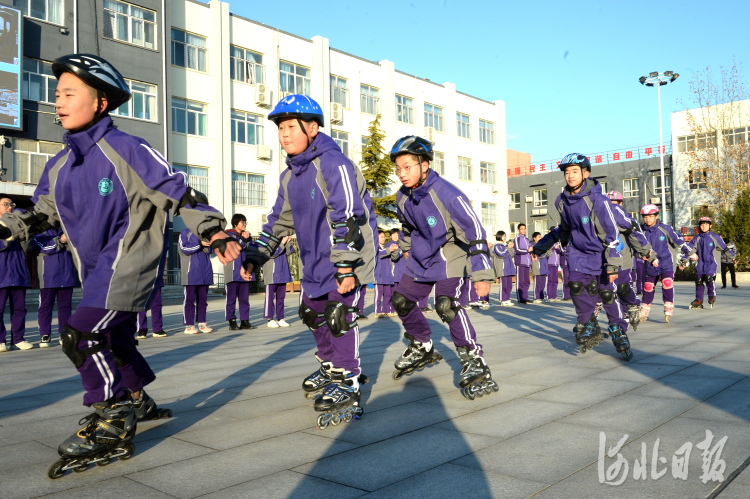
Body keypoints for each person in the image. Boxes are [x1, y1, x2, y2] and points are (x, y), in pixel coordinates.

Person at [0, 54, 241, 476]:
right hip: (93, 269)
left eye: (70, 94)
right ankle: (135, 397)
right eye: (57, 94)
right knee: (116, 340)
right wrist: (6, 228)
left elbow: (179, 192)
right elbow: (41, 214)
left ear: (101, 102)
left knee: (80, 334)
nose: (58, 101)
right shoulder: (57, 165)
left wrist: (213, 231)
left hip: (130, 263)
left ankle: (112, 415)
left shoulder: (127, 148)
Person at [241, 94, 376, 429]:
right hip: (314, 259)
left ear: (312, 128)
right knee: (311, 312)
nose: (284, 134)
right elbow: (279, 222)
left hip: (348, 256)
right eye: (280, 128)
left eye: (290, 126)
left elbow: (348, 216)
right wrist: (257, 254)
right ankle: (330, 366)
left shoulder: (334, 164)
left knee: (338, 314)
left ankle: (348, 379)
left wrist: (346, 265)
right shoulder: (290, 176)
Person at [387, 135, 498, 400]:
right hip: (421, 257)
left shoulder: (448, 194)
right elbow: (407, 227)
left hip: (450, 254)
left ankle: (473, 358)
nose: (402, 174)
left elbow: (474, 231)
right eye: (398, 168)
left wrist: (482, 274)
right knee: (400, 300)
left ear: (424, 164)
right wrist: (404, 250)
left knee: (446, 305)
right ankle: (421, 344)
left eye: (408, 167)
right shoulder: (402, 196)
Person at [531, 153, 638, 361]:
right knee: (575, 287)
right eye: (567, 172)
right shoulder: (561, 201)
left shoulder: (598, 200)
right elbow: (563, 229)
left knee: (607, 294)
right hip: (578, 254)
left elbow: (612, 233)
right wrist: (541, 246)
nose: (570, 176)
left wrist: (614, 263)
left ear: (585, 173)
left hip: (602, 253)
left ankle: (617, 328)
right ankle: (588, 322)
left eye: (574, 171)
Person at [605, 191, 653, 330]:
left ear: (621, 203)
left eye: (616, 203)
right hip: (607, 260)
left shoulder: (627, 219)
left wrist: (647, 253)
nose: (613, 207)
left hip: (624, 259)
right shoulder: (600, 217)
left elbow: (637, 237)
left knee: (622, 287)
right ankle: (615, 318)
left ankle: (631, 305)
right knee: (607, 291)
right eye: (610, 204)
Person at [639, 204, 691, 323]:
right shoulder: (641, 232)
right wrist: (641, 255)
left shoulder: (665, 228)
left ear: (656, 216)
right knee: (648, 287)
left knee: (667, 282)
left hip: (666, 262)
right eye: (645, 217)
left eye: (651, 216)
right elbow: (636, 248)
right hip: (650, 263)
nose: (648, 219)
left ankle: (668, 307)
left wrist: (690, 252)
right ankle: (644, 310)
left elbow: (679, 241)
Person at [31, 227, 77, 346]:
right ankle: (45, 334)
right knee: (45, 306)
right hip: (48, 277)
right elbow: (43, 248)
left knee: (65, 307)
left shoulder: (66, 226)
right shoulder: (38, 229)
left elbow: (76, 248)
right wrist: (60, 240)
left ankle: (64, 334)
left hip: (67, 275)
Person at [0, 198, 32, 352]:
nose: (9, 207)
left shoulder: (18, 226)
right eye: (5, 204)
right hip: (2, 275)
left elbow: (27, 245)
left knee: (19, 309)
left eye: (11, 204)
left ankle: (18, 339)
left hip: (18, 273)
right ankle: (0, 340)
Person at [685, 217, 733, 309]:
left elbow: (725, 248)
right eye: (702, 225)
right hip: (700, 264)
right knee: (698, 281)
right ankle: (699, 300)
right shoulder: (697, 238)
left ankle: (712, 295)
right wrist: (684, 261)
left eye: (706, 224)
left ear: (710, 225)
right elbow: (689, 249)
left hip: (711, 263)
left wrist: (733, 256)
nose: (704, 226)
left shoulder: (715, 237)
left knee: (708, 278)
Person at [179, 229, 215, 334]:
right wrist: (200, 243)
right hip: (191, 273)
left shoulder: (204, 233)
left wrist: (212, 242)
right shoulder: (185, 232)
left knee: (203, 301)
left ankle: (202, 323)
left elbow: (211, 251)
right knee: (189, 301)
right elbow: (184, 248)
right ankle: (189, 325)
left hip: (205, 273)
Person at [225, 214, 256, 330]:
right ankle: (232, 321)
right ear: (235, 224)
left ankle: (245, 320)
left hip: (245, 272)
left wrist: (248, 240)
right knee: (231, 299)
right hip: (233, 272)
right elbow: (235, 248)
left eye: (245, 222)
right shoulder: (228, 234)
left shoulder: (247, 235)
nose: (244, 224)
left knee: (244, 299)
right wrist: (243, 240)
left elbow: (252, 250)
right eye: (242, 222)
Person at [262, 233, 295, 327]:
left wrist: (288, 242)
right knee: (270, 298)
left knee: (281, 298)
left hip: (282, 274)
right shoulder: (267, 239)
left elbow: (290, 252)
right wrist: (282, 243)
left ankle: (280, 318)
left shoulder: (282, 239)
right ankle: (270, 319)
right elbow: (271, 253)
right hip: (271, 275)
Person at [374, 229, 396, 318]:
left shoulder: (387, 247)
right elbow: (379, 254)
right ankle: (377, 311)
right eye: (381, 237)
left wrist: (395, 250)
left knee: (388, 294)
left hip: (387, 275)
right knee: (379, 295)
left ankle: (386, 310)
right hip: (379, 275)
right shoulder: (375, 248)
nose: (383, 239)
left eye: (384, 237)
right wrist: (389, 250)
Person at [492, 230, 515, 306]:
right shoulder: (497, 246)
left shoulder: (505, 246)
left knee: (509, 285)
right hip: (502, 269)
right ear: (499, 236)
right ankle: (503, 300)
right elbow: (501, 254)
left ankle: (507, 299)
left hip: (509, 268)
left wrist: (511, 248)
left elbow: (512, 254)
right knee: (504, 285)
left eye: (505, 236)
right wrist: (508, 248)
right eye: (503, 236)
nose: (505, 237)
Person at [388, 228, 406, 314]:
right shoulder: (389, 245)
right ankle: (392, 309)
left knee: (402, 293)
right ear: (390, 236)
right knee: (394, 292)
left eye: (397, 234)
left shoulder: (402, 244)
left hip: (403, 272)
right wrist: (397, 250)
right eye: (393, 235)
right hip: (394, 273)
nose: (395, 236)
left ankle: (401, 308)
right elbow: (394, 258)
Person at [513, 223, 531, 304]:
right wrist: (528, 251)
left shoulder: (527, 239)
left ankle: (525, 297)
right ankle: (520, 298)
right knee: (521, 281)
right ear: (518, 230)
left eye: (524, 228)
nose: (523, 230)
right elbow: (517, 250)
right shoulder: (517, 239)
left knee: (527, 281)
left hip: (527, 263)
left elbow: (530, 250)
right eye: (521, 229)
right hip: (520, 262)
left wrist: (532, 255)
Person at [530, 231, 548, 303]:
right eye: (539, 237)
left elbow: (548, 254)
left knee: (543, 283)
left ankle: (541, 297)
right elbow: (538, 254)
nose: (540, 238)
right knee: (538, 282)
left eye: (541, 237)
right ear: (534, 238)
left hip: (544, 266)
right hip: (537, 267)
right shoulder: (533, 246)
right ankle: (536, 297)